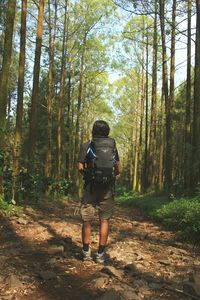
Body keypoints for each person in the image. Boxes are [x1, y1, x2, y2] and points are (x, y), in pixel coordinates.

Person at [77, 120, 121, 263]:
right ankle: (101, 255)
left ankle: (86, 253)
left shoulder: (87, 145)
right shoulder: (112, 146)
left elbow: (79, 166)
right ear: (107, 132)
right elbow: (119, 168)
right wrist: (109, 177)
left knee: (87, 220)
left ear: (93, 131)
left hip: (90, 188)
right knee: (104, 220)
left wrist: (89, 175)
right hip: (107, 189)